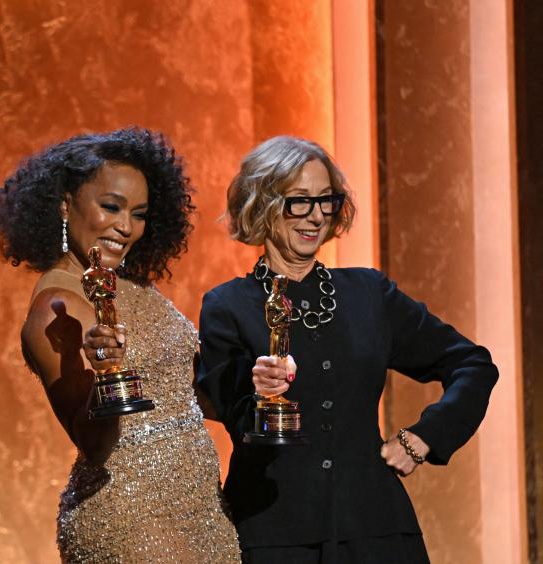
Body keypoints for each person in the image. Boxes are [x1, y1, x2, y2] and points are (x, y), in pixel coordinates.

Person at [197, 135, 499, 563]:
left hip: (376, 531)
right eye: (299, 200)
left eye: (327, 200)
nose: (316, 215)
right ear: (262, 204)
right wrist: (260, 393)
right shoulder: (227, 305)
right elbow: (234, 414)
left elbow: (473, 364)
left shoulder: (368, 294)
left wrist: (425, 437)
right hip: (275, 536)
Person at [0, 127, 240, 563]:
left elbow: (190, 395)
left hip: (204, 512)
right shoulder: (56, 308)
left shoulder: (127, 283)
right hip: (131, 518)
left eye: (139, 214)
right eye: (111, 207)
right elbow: (95, 442)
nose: (126, 227)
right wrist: (108, 372)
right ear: (65, 205)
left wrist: (259, 380)